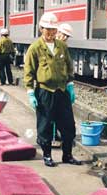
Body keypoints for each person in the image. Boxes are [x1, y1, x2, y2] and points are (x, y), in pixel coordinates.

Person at [24, 12, 81, 167]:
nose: (51, 33)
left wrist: (70, 86)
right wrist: (30, 92)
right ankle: (47, 155)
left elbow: (69, 66)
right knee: (45, 125)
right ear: (41, 29)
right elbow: (29, 72)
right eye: (48, 29)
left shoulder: (62, 46)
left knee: (68, 125)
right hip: (44, 92)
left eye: (53, 30)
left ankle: (67, 155)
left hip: (61, 91)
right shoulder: (35, 48)